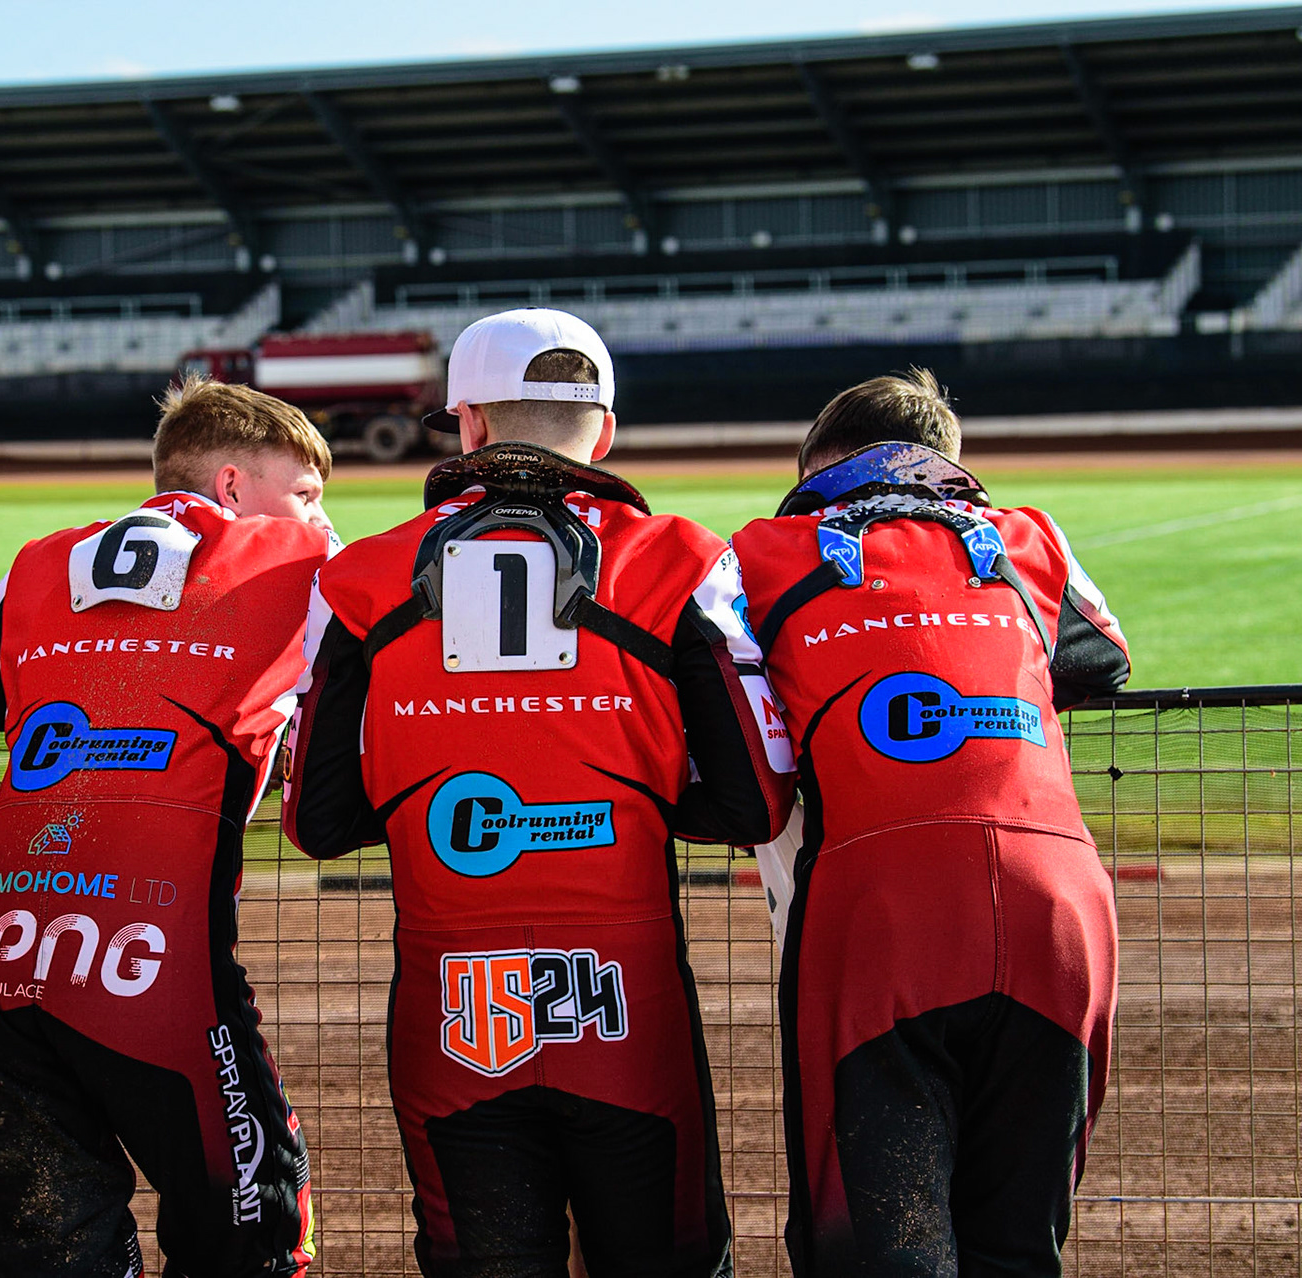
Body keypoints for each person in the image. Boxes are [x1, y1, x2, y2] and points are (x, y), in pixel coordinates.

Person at [281, 308, 796, 1278]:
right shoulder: (683, 557)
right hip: (630, 1009)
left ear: (468, 424)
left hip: (449, 1015)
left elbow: (319, 820)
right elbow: (754, 804)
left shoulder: (357, 578)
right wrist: (628, 790)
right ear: (602, 432)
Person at [729, 369, 1130, 1277]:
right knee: (1021, 1242)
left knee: (880, 1252)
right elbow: (1104, 659)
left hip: (880, 919)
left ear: (815, 466)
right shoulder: (1029, 537)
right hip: (1062, 908)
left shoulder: (761, 553)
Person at [0, 374, 334, 1278]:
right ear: (233, 486)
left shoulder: (38, 559)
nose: (322, 517)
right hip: (150, 965)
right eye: (309, 494)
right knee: (255, 1242)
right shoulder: (300, 563)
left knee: (54, 1259)